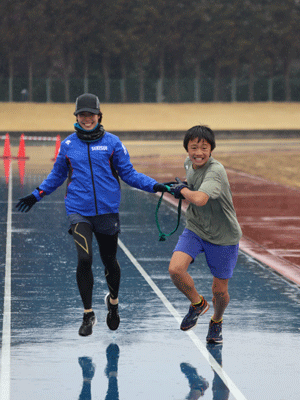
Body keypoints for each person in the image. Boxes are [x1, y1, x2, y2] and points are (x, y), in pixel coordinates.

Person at [16, 93, 168, 337]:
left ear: (99, 116)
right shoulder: (67, 146)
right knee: (84, 258)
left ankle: (113, 303)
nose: (87, 118)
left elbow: (129, 174)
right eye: (82, 114)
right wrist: (37, 194)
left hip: (107, 212)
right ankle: (88, 314)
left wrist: (155, 185)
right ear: (76, 117)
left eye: (91, 114)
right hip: (79, 211)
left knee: (110, 261)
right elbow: (56, 176)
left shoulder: (113, 143)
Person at [168, 125, 242, 344]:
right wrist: (183, 184)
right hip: (196, 227)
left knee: (219, 291)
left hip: (223, 236)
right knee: (175, 269)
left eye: (204, 147)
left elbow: (199, 199)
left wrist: (181, 190)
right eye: (193, 147)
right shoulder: (188, 163)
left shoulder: (216, 171)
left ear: (211, 150)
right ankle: (198, 304)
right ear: (187, 149)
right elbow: (192, 186)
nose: (198, 152)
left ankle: (217, 321)